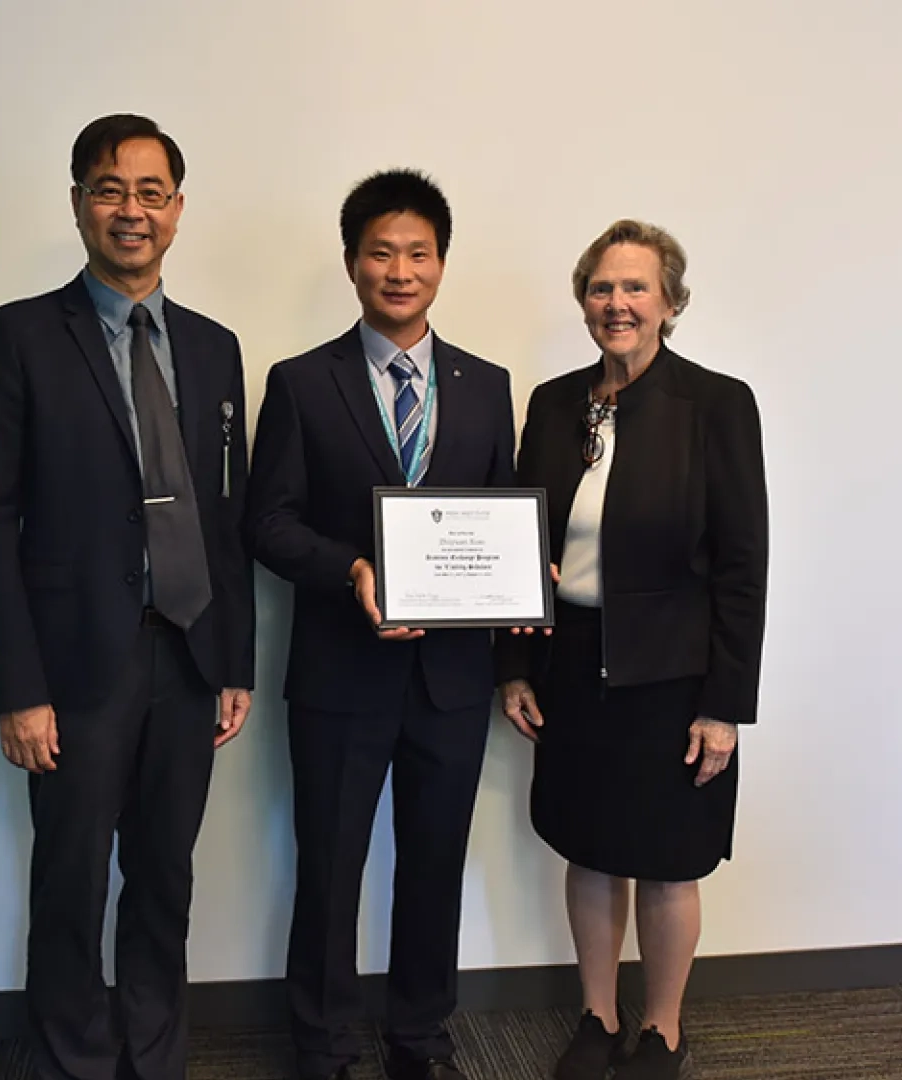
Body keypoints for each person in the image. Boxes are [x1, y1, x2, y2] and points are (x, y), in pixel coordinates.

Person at [0, 114, 255, 1080]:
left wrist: (235, 659)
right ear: (79, 201)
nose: (133, 210)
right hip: (75, 665)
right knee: (74, 877)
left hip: (190, 652)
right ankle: (74, 1060)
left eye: (151, 192)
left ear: (178, 210)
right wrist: (17, 686)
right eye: (111, 189)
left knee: (166, 874)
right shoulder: (20, 337)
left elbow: (227, 513)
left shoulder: (214, 348)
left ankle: (154, 1053)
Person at [245, 170, 517, 1080]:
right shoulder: (300, 382)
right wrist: (350, 569)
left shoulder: (485, 386)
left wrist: (522, 579)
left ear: (442, 263)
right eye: (380, 253)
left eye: (418, 253)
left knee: (434, 865)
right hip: (338, 674)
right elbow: (268, 522)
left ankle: (420, 1037)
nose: (399, 270)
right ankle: (321, 1042)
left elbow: (500, 523)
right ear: (352, 262)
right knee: (329, 868)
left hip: (451, 679)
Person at [496, 220, 769, 1080]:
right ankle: (595, 1014)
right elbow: (516, 541)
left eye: (636, 288)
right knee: (589, 846)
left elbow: (742, 564)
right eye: (602, 288)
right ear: (585, 302)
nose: (617, 303)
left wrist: (725, 704)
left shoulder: (717, 405)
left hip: (673, 674)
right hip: (570, 663)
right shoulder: (552, 402)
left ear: (671, 303)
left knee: (666, 859)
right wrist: (514, 665)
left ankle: (661, 1028)